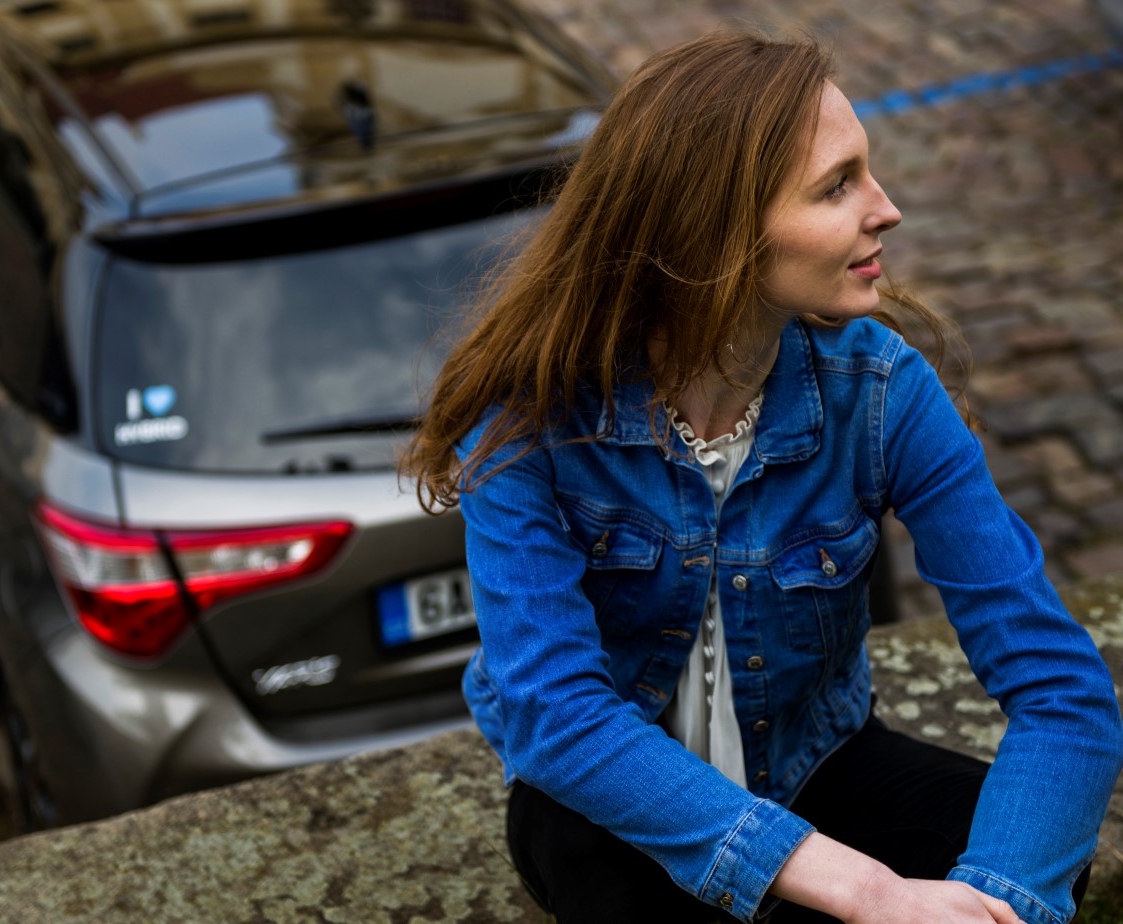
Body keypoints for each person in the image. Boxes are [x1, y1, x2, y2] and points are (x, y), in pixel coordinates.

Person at [400, 30, 1123, 924]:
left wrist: (997, 902)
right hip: (610, 801)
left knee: (1038, 854)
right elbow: (556, 715)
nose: (888, 209)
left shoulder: (883, 392)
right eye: (837, 186)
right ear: (717, 233)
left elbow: (1061, 692)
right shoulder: (530, 416)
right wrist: (868, 893)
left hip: (815, 764)